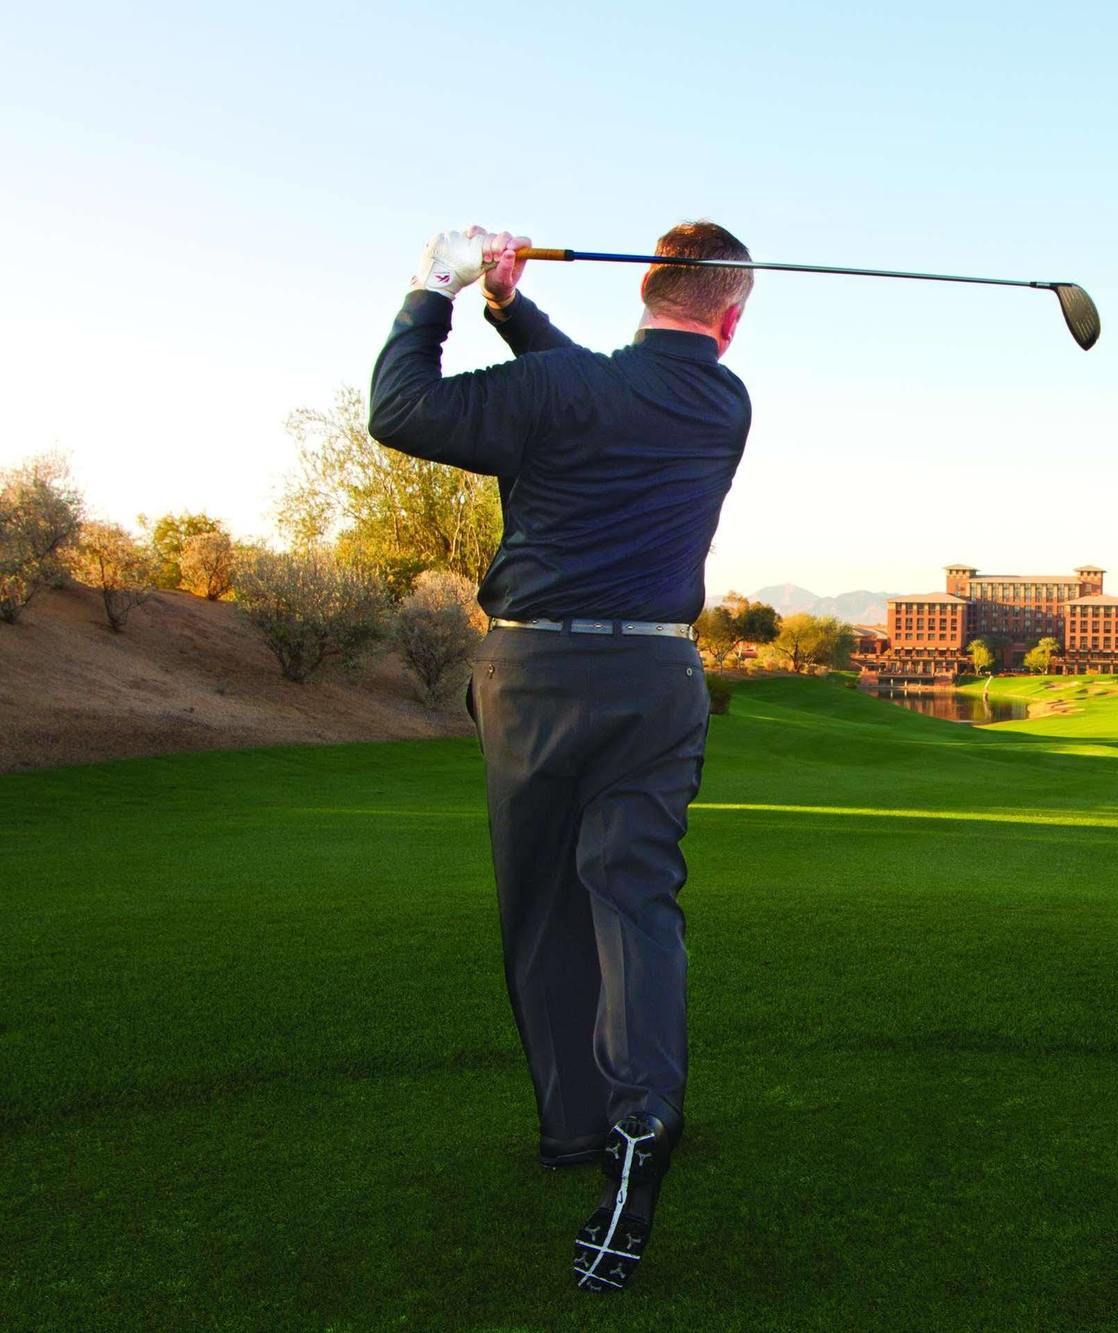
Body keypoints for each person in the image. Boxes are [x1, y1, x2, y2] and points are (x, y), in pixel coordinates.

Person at [369, 221, 754, 1292]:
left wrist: (434, 290)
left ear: (643, 290)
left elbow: (399, 410)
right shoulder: (722, 401)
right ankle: (646, 1120)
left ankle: (575, 1127)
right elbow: (587, 384)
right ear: (730, 316)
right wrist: (505, 305)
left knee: (543, 902)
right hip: (659, 679)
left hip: (535, 677)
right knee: (633, 899)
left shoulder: (562, 394)